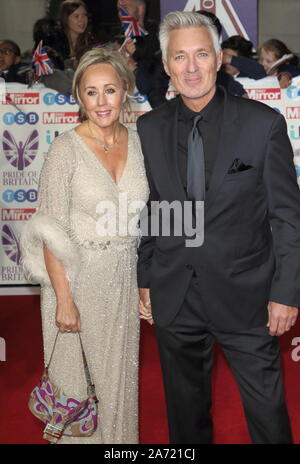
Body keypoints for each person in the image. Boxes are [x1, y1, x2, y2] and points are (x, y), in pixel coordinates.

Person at [137, 11, 300, 444]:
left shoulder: (262, 124)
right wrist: (146, 276)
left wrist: (286, 293)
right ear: (167, 64)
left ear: (219, 58)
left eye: (201, 54)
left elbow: (286, 217)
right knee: (186, 422)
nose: (191, 67)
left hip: (247, 298)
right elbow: (155, 205)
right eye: (180, 57)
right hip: (175, 296)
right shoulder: (148, 128)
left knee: (267, 417)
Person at [20, 47, 149, 444]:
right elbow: (49, 229)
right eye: (91, 92)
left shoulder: (142, 142)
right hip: (75, 281)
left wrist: (147, 284)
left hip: (124, 279)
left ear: (125, 90)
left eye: (109, 90)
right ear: (79, 97)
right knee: (78, 395)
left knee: (119, 388)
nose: (101, 101)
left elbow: (151, 222)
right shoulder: (65, 149)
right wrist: (63, 298)